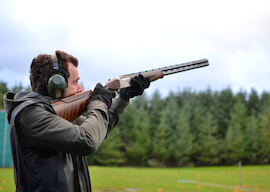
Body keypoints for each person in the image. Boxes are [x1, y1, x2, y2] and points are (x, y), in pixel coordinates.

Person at [4, 50, 150, 192]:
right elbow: (88, 141)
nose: (80, 89)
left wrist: (123, 98)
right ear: (56, 85)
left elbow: (97, 129)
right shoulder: (31, 114)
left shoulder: (55, 114)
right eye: (75, 82)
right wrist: (99, 101)